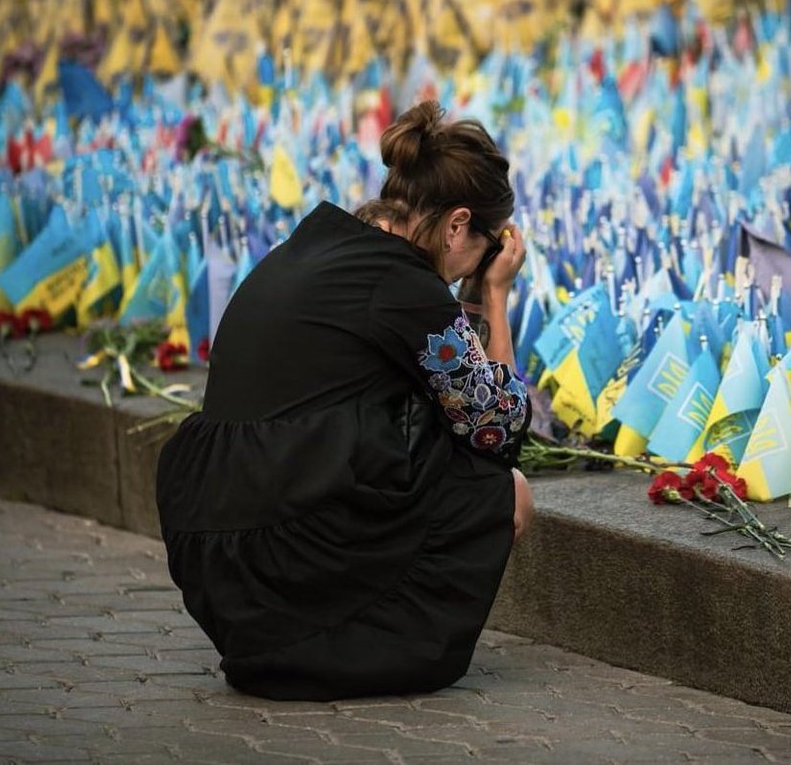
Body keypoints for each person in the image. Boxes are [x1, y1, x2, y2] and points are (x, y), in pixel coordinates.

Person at [155, 100, 535, 701]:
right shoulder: (404, 286)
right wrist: (495, 296)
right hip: (279, 545)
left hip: (223, 542)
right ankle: (346, 647)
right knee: (503, 488)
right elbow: (495, 427)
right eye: (488, 244)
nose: (485, 259)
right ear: (458, 225)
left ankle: (301, 643)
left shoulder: (317, 244)